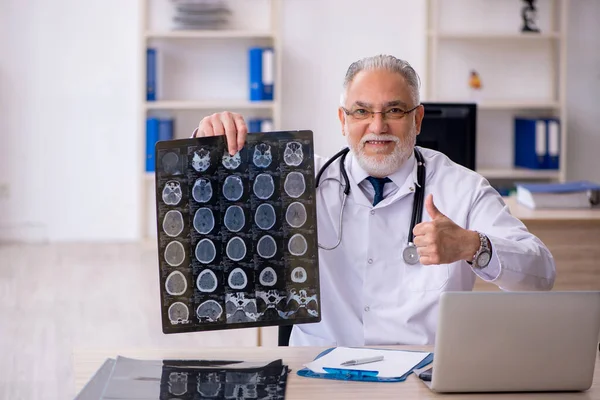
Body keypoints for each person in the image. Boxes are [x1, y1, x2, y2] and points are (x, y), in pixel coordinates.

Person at [193, 54, 556, 347]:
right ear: (343, 120)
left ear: (418, 119)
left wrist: (473, 246)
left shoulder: (462, 188)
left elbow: (542, 274)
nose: (378, 126)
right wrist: (206, 141)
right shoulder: (297, 180)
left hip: (423, 376)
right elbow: (210, 208)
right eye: (362, 111)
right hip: (317, 373)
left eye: (395, 111)